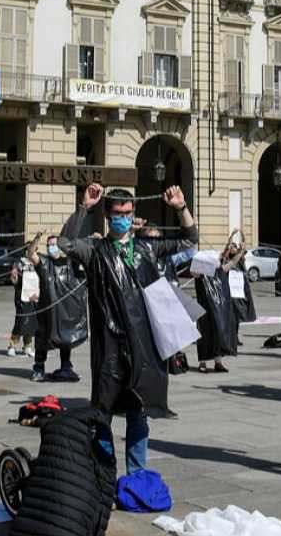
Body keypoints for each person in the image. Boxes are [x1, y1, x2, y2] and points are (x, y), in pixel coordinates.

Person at [57, 183, 196, 475]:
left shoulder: (146, 247)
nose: (123, 217)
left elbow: (189, 242)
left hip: (142, 346)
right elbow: (65, 243)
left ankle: (136, 477)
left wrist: (181, 207)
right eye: (118, 213)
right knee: (103, 414)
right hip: (108, 346)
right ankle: (104, 476)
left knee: (139, 413)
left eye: (128, 212)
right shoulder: (94, 249)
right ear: (108, 215)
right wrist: (85, 207)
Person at [27, 234, 87, 383]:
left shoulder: (72, 263)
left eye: (54, 244)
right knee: (42, 338)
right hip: (47, 310)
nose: (51, 248)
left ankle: (66, 366)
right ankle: (39, 368)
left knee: (66, 337)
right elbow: (31, 254)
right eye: (48, 246)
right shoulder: (45, 263)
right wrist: (35, 240)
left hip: (66, 310)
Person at [194, 236, 246, 374]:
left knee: (218, 333)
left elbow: (232, 262)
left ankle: (218, 362)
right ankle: (202, 362)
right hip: (205, 308)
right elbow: (193, 272)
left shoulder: (219, 271)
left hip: (219, 309)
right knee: (205, 333)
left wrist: (241, 252)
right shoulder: (200, 273)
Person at [8, 255, 39, 358]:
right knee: (21, 322)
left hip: (34, 297)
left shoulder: (37, 261)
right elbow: (14, 279)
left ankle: (28, 346)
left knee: (32, 322)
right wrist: (14, 275)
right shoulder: (19, 262)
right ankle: (12, 346)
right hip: (22, 296)